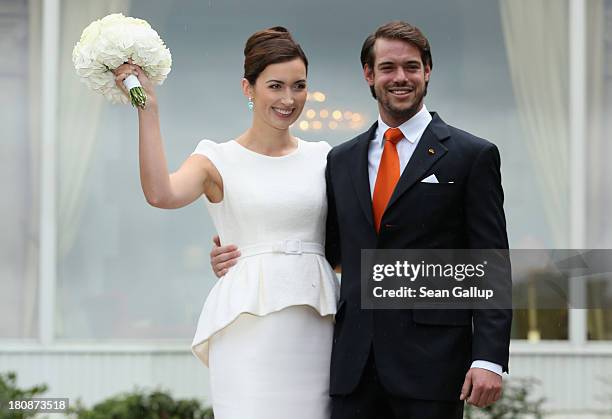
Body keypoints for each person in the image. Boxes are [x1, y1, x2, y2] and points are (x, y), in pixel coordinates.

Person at [211, 21, 512, 419]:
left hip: (432, 367)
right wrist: (246, 249)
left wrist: (488, 358)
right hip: (352, 367)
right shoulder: (341, 160)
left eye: (411, 66)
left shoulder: (471, 155)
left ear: (428, 71)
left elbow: (489, 262)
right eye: (388, 67)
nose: (400, 77)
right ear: (369, 75)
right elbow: (326, 247)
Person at [113, 27, 340, 419]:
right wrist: (147, 108)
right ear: (248, 88)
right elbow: (161, 193)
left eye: (299, 86)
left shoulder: (325, 157)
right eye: (275, 86)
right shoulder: (216, 158)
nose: (289, 99)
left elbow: (345, 244)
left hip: (317, 327)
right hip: (245, 327)